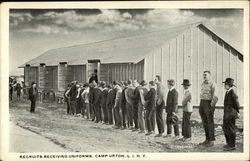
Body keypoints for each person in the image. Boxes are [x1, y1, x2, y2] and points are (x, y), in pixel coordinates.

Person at [199, 71, 218, 147]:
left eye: (205, 75)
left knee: (210, 122)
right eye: (203, 75)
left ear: (210, 75)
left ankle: (211, 141)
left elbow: (215, 96)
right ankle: (207, 139)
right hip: (202, 103)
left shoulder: (213, 84)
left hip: (208, 104)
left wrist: (211, 106)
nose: (204, 76)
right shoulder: (203, 83)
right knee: (204, 122)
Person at [222, 78, 240, 151]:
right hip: (226, 113)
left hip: (231, 114)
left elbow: (237, 104)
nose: (224, 86)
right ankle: (228, 143)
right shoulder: (227, 92)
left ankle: (232, 145)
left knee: (231, 129)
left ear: (229, 85)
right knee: (225, 128)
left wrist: (237, 112)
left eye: (225, 84)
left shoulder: (232, 93)